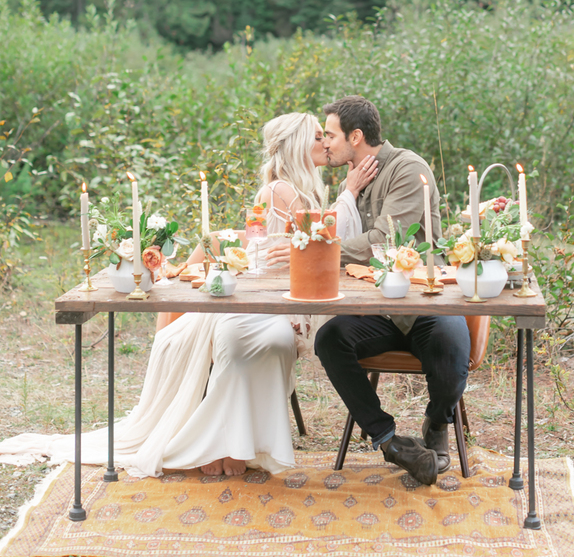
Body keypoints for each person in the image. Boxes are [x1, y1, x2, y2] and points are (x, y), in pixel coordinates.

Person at [0, 112, 376, 479]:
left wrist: (344, 194)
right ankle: (218, 445)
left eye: (325, 136)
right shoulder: (280, 189)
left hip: (283, 297)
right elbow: (313, 237)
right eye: (316, 136)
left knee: (261, 342)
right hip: (266, 295)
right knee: (240, 340)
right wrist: (348, 193)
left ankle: (235, 445)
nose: (324, 142)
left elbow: (303, 243)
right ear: (296, 144)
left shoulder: (302, 188)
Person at [314, 95, 471, 487]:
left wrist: (318, 249)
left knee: (451, 342)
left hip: (422, 305)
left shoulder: (407, 168)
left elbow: (383, 242)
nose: (325, 143)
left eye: (330, 135)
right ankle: (390, 441)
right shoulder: (358, 175)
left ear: (356, 135)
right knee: (330, 339)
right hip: (378, 309)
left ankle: (437, 421)